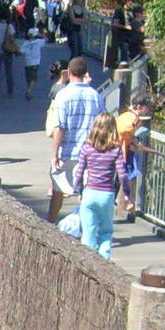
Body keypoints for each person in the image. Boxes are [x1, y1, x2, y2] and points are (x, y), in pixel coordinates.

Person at [48, 56, 102, 224]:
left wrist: (54, 153)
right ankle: (85, 228)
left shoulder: (63, 95)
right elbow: (102, 124)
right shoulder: (95, 95)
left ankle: (51, 224)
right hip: (90, 151)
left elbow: (60, 127)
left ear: (69, 73)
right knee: (85, 192)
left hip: (67, 150)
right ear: (85, 73)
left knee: (58, 190)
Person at [70, 112, 125, 259]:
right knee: (106, 231)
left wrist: (79, 190)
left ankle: (88, 265)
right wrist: (127, 193)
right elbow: (122, 175)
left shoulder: (87, 148)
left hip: (89, 193)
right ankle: (104, 263)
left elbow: (79, 172)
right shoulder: (116, 150)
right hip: (106, 194)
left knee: (88, 234)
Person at [115, 95, 152, 220]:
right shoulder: (131, 118)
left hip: (120, 150)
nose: (147, 110)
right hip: (121, 152)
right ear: (140, 107)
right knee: (123, 178)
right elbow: (124, 131)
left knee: (121, 179)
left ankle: (126, 201)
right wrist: (132, 138)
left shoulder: (127, 116)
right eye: (146, 107)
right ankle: (127, 201)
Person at [20, 26, 45, 100]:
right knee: (33, 78)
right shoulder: (39, 42)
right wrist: (40, 35)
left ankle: (29, 89)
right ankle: (29, 90)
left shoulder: (25, 43)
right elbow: (45, 38)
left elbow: (21, 51)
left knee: (28, 77)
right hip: (36, 62)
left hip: (27, 62)